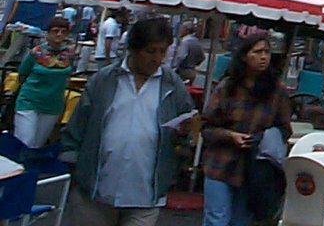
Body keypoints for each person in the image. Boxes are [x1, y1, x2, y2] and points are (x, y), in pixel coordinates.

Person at [62, 15, 195, 226]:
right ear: (133, 49)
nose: (157, 58)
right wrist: (75, 171)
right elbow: (78, 126)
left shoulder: (172, 85)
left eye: (163, 51)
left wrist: (184, 132)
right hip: (96, 190)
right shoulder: (104, 81)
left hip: (146, 194)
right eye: (151, 51)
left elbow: (186, 127)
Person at [202, 31, 292, 226]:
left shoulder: (277, 90)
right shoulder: (227, 87)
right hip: (220, 163)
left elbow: (285, 128)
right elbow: (207, 127)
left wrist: (265, 138)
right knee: (217, 219)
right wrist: (230, 135)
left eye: (267, 52)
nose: (263, 57)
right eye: (257, 52)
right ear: (244, 56)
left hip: (254, 168)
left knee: (240, 220)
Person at [14, 15, 75, 148]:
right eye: (55, 30)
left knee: (38, 145)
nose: (59, 34)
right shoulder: (36, 52)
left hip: (52, 105)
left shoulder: (69, 53)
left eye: (63, 31)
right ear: (48, 33)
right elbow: (23, 73)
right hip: (29, 102)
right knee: (25, 142)